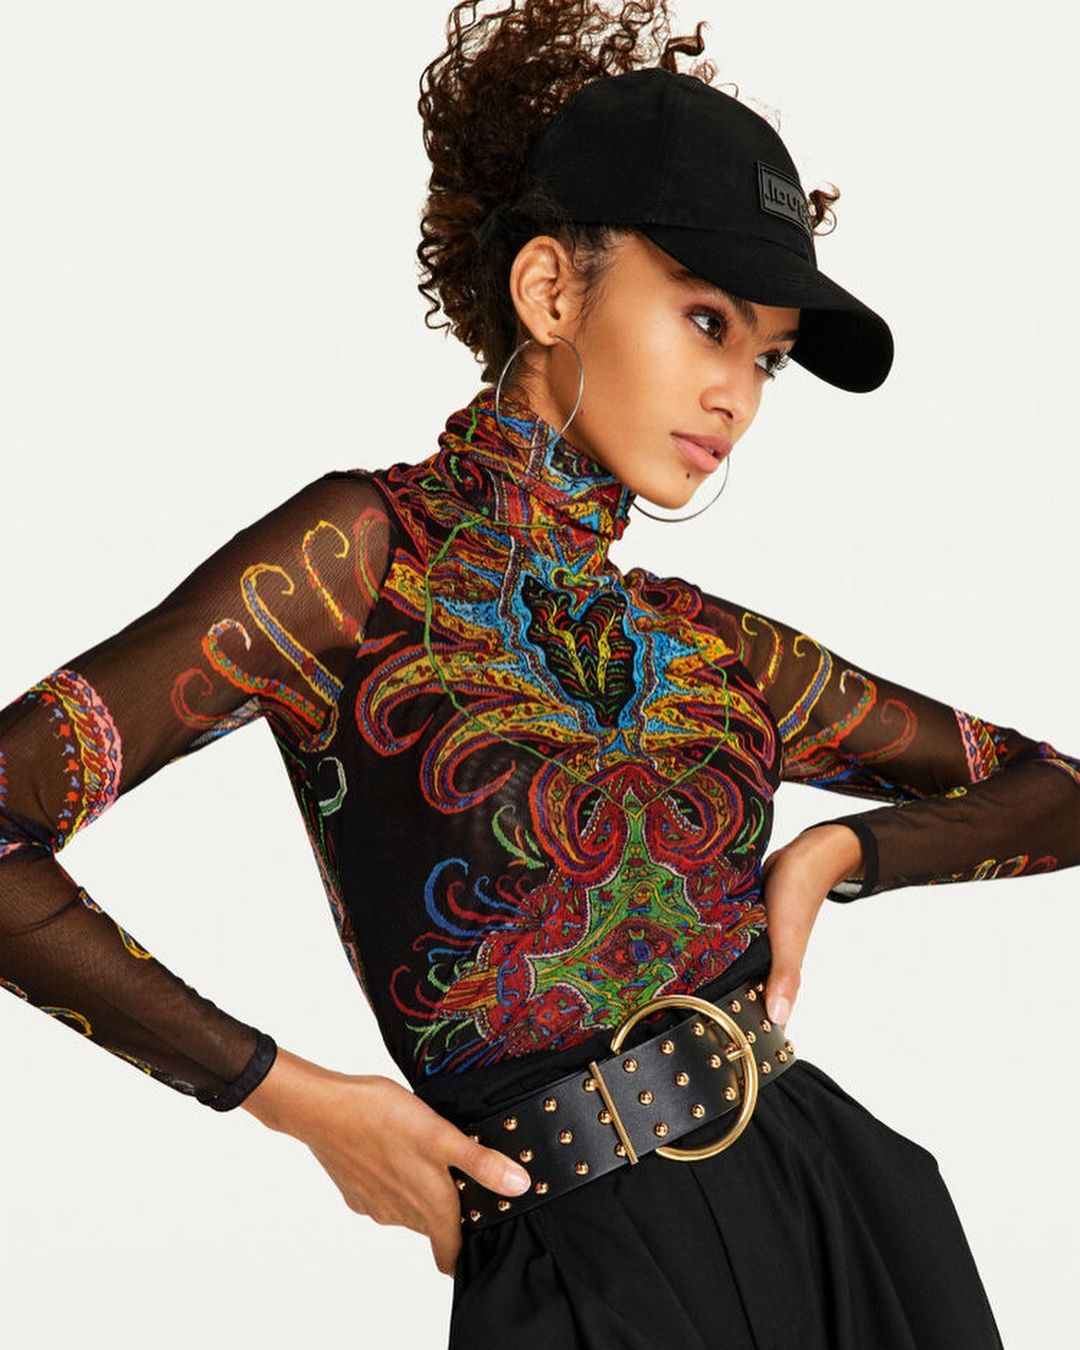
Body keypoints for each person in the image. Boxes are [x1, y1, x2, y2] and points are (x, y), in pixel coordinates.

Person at [2, 4, 1077, 1347]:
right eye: (706, 319)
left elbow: (1056, 788)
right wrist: (289, 1096)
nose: (739, 395)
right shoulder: (354, 564)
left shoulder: (711, 649)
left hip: (837, 1220)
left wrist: (836, 855)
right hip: (577, 1276)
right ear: (552, 292)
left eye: (767, 357)